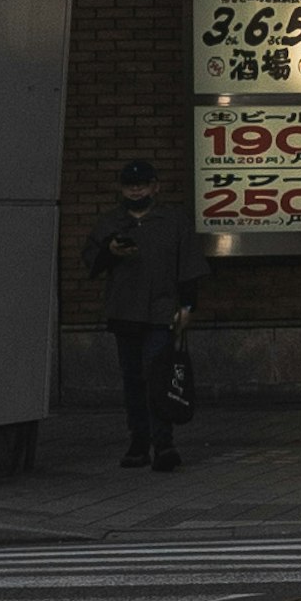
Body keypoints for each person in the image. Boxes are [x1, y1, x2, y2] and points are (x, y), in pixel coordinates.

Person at [82, 150, 196, 473]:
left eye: (142, 185)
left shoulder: (173, 222)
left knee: (157, 376)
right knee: (133, 378)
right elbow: (91, 261)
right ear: (122, 189)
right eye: (130, 185)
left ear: (155, 187)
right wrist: (110, 251)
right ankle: (139, 440)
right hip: (125, 311)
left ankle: (163, 443)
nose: (136, 191)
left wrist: (188, 307)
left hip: (162, 311)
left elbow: (187, 266)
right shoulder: (111, 223)